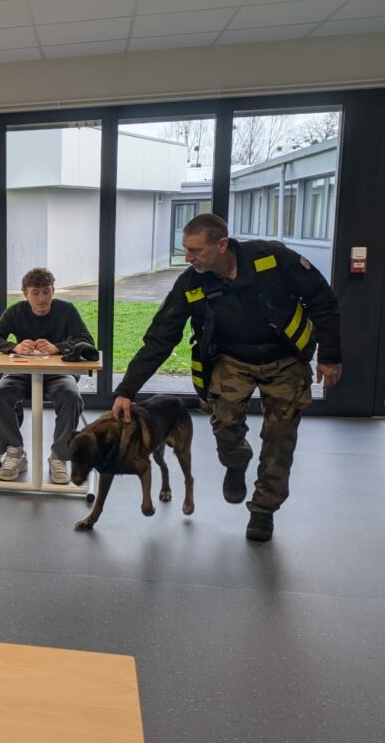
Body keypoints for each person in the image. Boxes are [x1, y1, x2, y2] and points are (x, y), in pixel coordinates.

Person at [112, 213, 342, 542]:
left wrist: (331, 356)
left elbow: (323, 300)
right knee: (224, 425)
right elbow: (160, 339)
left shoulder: (272, 259)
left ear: (222, 245)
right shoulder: (191, 283)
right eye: (185, 250)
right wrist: (127, 390)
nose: (188, 258)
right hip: (232, 359)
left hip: (285, 358)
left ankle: (263, 509)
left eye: (195, 251)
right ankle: (236, 461)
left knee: (280, 437)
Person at [0, 267, 94, 484]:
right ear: (26, 294)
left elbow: (87, 341)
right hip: (22, 372)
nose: (42, 299)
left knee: (71, 397)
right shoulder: (16, 311)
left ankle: (60, 457)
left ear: (53, 291)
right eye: (35, 293)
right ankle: (14, 453)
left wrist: (58, 347)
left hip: (58, 374)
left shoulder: (67, 310)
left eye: (46, 292)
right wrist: (14, 346)